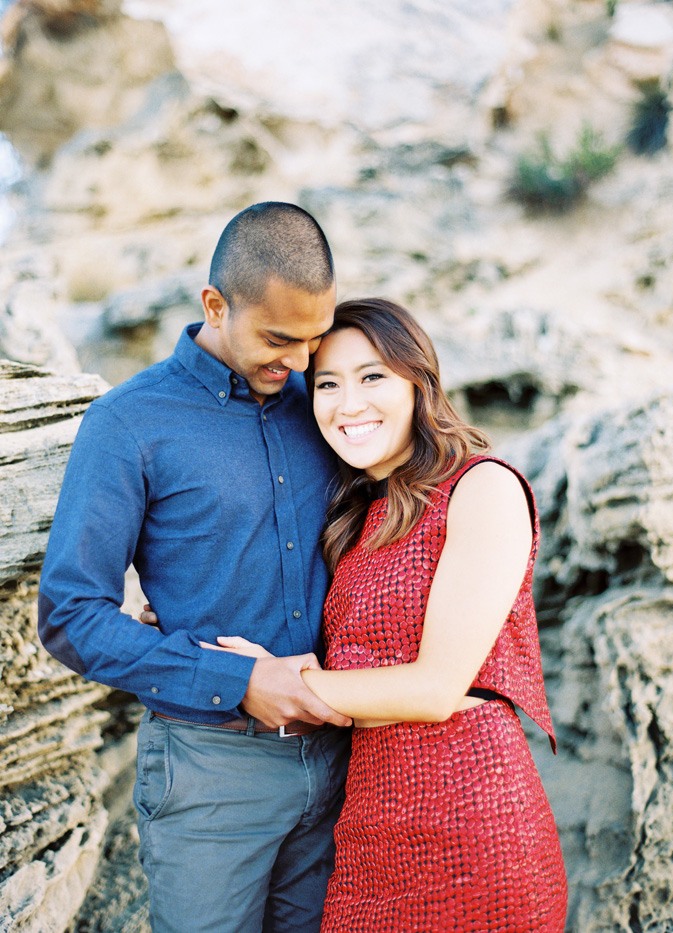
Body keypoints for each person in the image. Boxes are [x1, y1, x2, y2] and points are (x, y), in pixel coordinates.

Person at [37, 202, 353, 933]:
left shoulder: (326, 405)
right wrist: (236, 680)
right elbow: (69, 614)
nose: (300, 361)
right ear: (215, 304)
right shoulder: (127, 423)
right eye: (279, 338)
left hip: (343, 762)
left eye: (314, 339)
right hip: (210, 775)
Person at [207, 298, 568, 931]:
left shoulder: (483, 487)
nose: (349, 404)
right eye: (327, 384)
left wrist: (279, 685)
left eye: (372, 376)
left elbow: (434, 688)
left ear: (418, 382)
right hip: (370, 832)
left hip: (474, 825)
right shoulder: (360, 514)